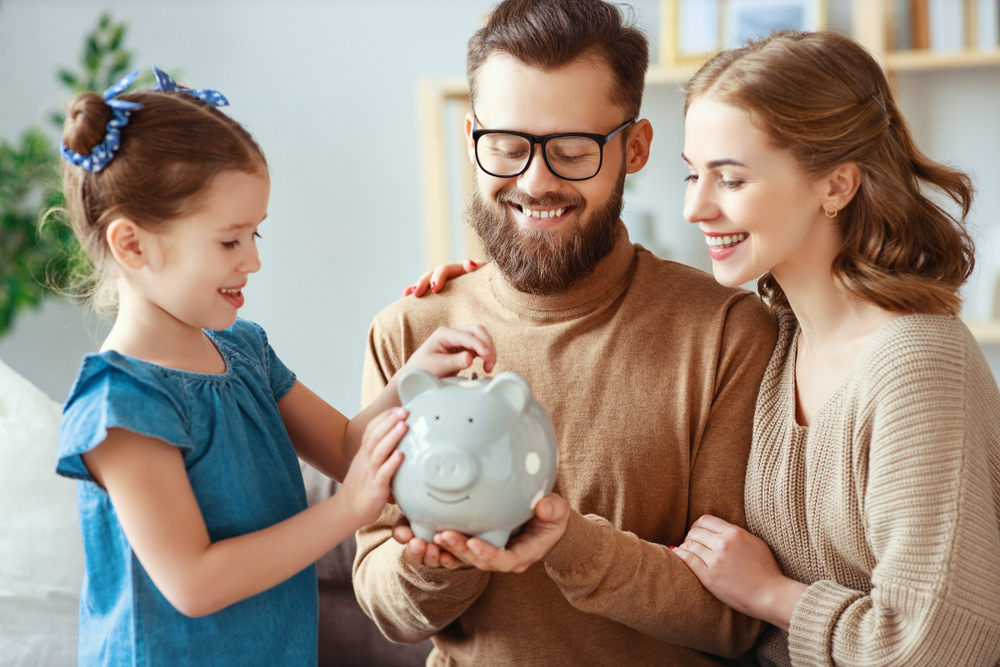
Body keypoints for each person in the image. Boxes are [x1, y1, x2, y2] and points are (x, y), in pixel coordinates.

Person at [352, 1, 778, 665]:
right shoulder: (413, 330)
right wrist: (445, 555)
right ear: (471, 139)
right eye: (507, 146)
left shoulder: (727, 334)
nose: (535, 181)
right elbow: (384, 602)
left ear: (634, 149)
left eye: (573, 151)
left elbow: (733, 618)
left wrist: (568, 541)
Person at [54, 67, 494, 667]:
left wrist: (415, 381)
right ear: (132, 245)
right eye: (230, 241)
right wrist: (347, 510)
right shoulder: (120, 402)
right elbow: (194, 582)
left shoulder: (244, 350)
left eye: (257, 234)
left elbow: (343, 448)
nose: (254, 260)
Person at [666, 31, 1000, 666]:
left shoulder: (919, 365)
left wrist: (770, 595)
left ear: (837, 186)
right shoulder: (772, 337)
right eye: (692, 174)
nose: (694, 207)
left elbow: (934, 648)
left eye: (729, 179)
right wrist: (487, 287)